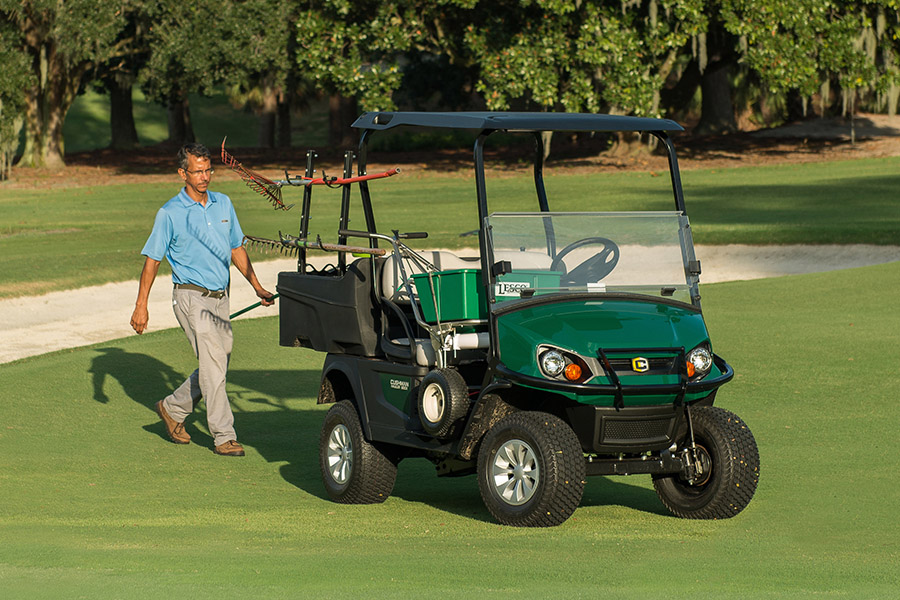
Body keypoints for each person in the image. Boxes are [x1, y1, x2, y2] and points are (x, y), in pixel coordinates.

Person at [130, 143, 275, 456]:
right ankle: (224, 435)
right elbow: (152, 261)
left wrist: (256, 286)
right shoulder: (169, 213)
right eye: (198, 171)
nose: (205, 176)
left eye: (208, 170)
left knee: (216, 364)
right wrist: (141, 306)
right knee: (213, 365)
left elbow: (236, 248)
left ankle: (172, 408)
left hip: (221, 298)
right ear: (182, 173)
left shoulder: (223, 204)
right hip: (191, 298)